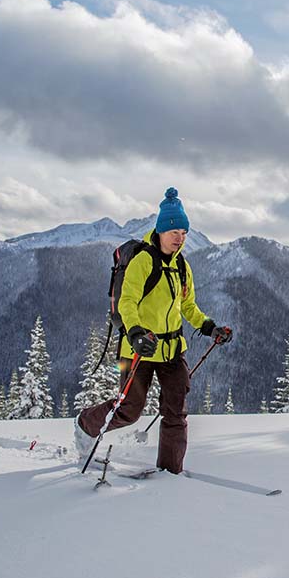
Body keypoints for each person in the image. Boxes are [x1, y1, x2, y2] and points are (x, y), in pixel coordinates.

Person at [74, 187, 232, 473]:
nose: (179, 238)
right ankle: (85, 424)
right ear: (160, 231)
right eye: (174, 232)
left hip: (171, 351)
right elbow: (127, 301)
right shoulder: (143, 261)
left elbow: (188, 307)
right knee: (129, 410)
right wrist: (134, 333)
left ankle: (170, 472)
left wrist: (210, 328)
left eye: (184, 233)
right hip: (139, 348)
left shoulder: (182, 266)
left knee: (176, 412)